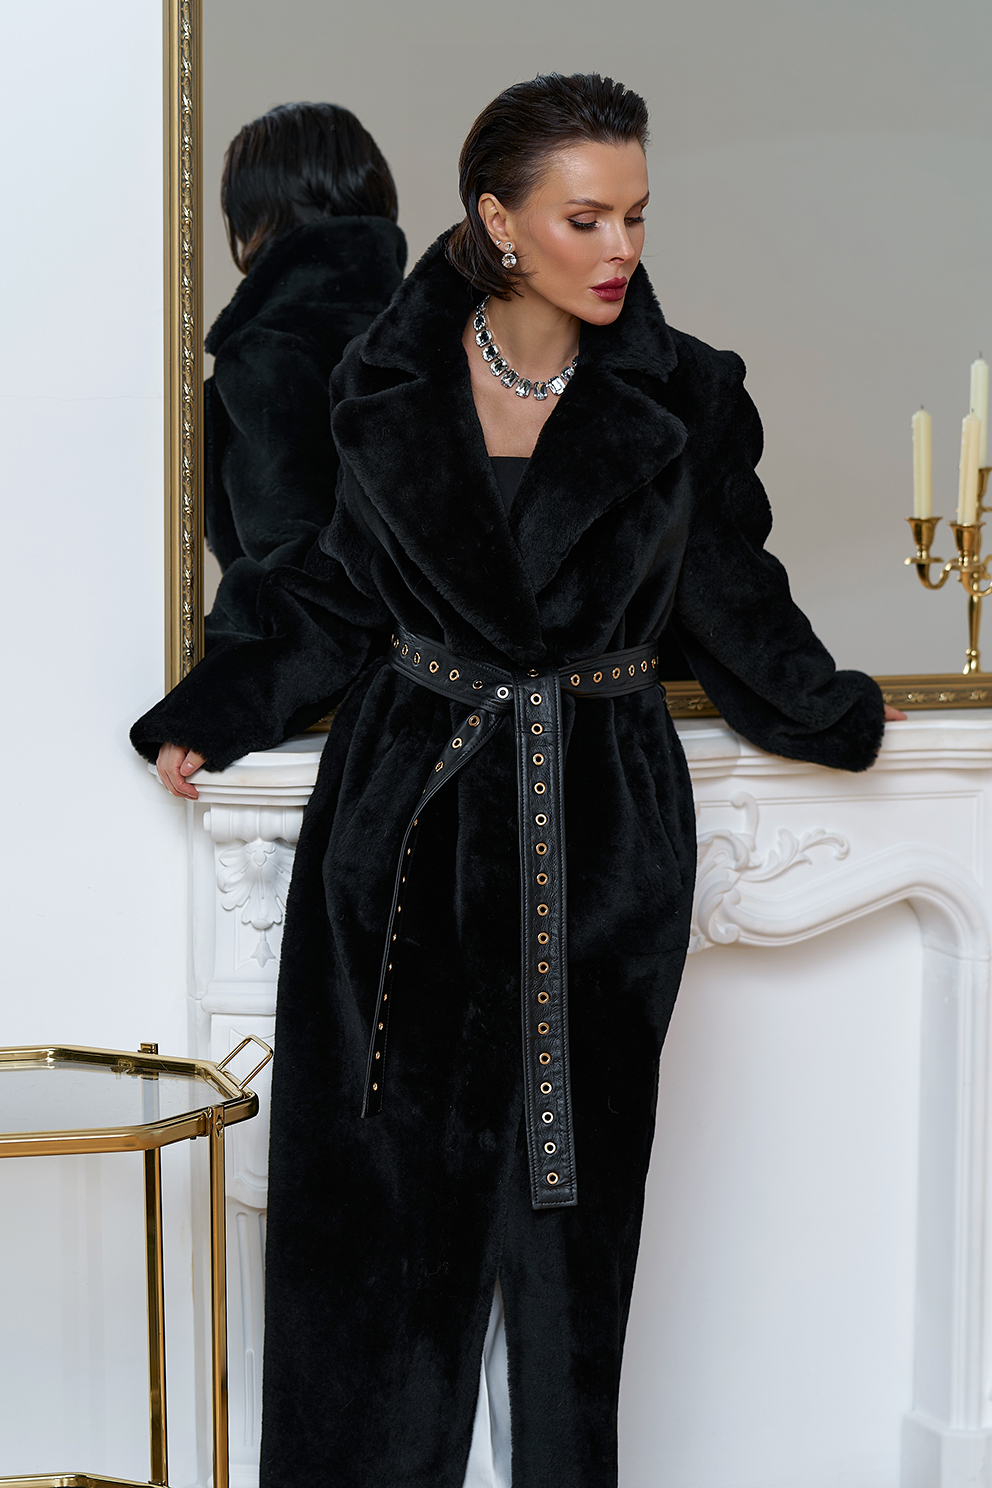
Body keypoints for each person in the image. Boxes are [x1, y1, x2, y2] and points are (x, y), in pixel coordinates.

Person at [132, 73, 905, 1488]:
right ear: (498, 221)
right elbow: (333, 593)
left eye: (636, 216)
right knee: (374, 1231)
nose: (619, 248)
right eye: (583, 217)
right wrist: (222, 704)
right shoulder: (384, 383)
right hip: (401, 832)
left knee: (572, 1247)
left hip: (596, 829)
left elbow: (733, 596)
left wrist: (835, 713)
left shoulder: (684, 394)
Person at [203, 102, 407, 645]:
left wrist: (203, 661)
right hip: (459, 682)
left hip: (332, 687)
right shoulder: (446, 333)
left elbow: (296, 575)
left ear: (254, 218)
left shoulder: (267, 353)